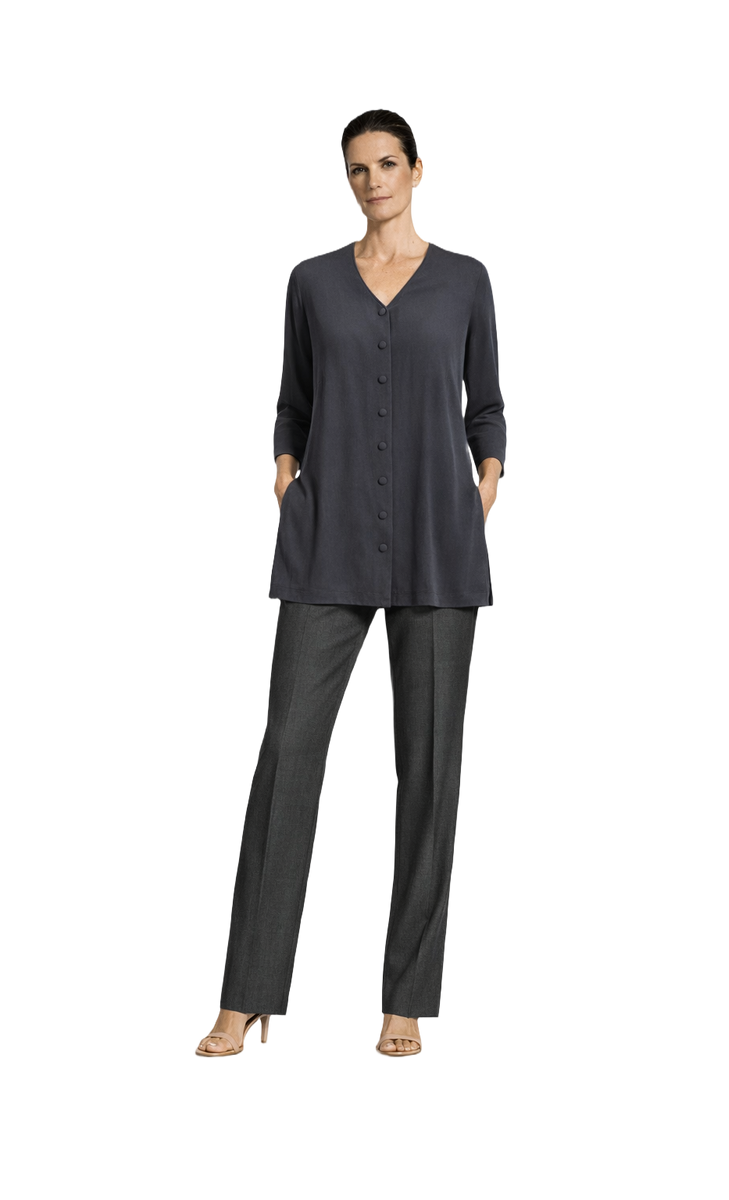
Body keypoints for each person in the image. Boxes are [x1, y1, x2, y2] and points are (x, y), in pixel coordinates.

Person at [191, 108, 509, 1061]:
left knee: (429, 771)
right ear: (347, 183)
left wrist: (488, 485)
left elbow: (486, 405)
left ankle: (405, 1000)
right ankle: (246, 996)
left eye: (387, 164)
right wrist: (285, 474)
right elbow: (292, 400)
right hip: (326, 541)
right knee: (286, 755)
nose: (372, 181)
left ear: (419, 171)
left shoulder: (466, 280)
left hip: (439, 545)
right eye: (356, 169)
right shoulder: (312, 282)